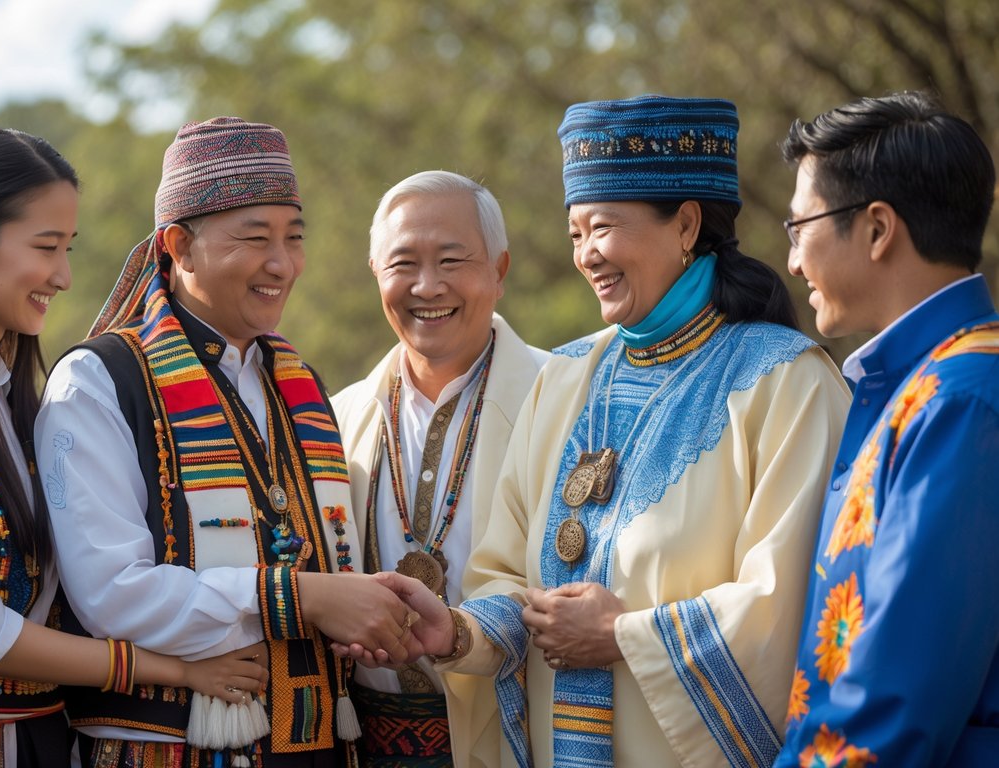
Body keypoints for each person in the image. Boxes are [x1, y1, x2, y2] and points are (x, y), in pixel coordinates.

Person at [344, 95, 853, 767]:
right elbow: (507, 577)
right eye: (574, 233)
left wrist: (625, 634)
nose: (586, 255)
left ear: (685, 225)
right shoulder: (565, 375)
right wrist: (458, 632)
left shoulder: (786, 383)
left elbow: (786, 608)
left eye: (602, 228)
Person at [0, 129, 267, 768]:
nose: (62, 275)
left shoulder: (17, 395)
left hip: (44, 734)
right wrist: (168, 668)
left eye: (68, 249)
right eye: (45, 247)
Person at [35, 116, 421, 768]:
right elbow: (109, 595)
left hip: (317, 742)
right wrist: (301, 598)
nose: (281, 263)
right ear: (178, 246)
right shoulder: (100, 380)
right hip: (168, 747)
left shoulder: (291, 381)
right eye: (254, 238)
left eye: (293, 239)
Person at [774, 92, 999, 766]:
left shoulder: (961, 400)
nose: (790, 262)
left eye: (797, 228)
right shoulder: (919, 388)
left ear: (876, 229)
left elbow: (895, 699)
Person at [331, 171, 549, 768]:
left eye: (452, 259)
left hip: (518, 736)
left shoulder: (565, 400)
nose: (428, 286)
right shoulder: (336, 417)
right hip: (363, 745)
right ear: (375, 272)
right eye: (404, 263)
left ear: (499, 271)